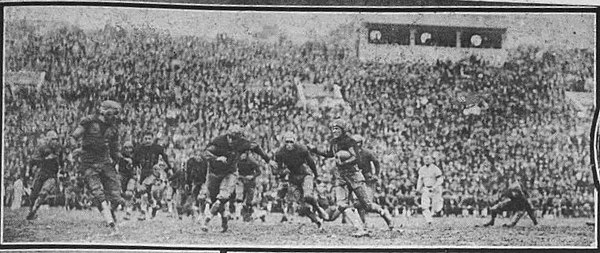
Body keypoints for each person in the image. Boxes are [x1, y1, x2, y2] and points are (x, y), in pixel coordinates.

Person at [309, 119, 394, 237]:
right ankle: (359, 228)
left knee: (367, 205)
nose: (334, 131)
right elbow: (329, 154)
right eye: (333, 129)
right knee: (342, 204)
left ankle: (385, 215)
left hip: (353, 175)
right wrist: (315, 150)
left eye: (337, 128)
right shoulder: (334, 142)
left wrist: (344, 162)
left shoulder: (349, 141)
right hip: (341, 176)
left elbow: (356, 158)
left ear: (343, 129)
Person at [70, 100, 130, 234]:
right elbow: (74, 137)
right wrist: (76, 149)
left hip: (105, 162)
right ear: (104, 111)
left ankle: (110, 213)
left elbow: (114, 150)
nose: (114, 117)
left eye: (116, 114)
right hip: (89, 162)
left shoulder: (113, 129)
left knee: (116, 196)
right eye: (112, 113)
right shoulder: (89, 121)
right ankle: (110, 222)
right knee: (98, 193)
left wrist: (123, 159)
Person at [201, 124, 271, 232]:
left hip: (230, 172)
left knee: (223, 197)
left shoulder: (242, 143)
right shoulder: (219, 141)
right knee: (215, 199)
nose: (232, 141)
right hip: (214, 173)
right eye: (231, 138)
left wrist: (268, 160)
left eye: (235, 139)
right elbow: (205, 153)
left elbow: (256, 147)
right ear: (227, 135)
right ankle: (224, 223)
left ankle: (207, 220)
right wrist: (216, 158)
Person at [272, 131, 327, 229]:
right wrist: (283, 172)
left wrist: (316, 175)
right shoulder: (280, 153)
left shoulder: (302, 149)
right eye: (287, 142)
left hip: (305, 175)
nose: (289, 144)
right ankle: (317, 221)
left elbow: (311, 162)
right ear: (283, 142)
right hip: (293, 179)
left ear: (295, 142)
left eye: (291, 142)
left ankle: (318, 208)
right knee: (302, 207)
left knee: (308, 195)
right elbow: (277, 170)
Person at [132, 130, 172, 220]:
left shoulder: (157, 148)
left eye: (149, 139)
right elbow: (134, 161)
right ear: (142, 139)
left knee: (143, 190)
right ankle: (154, 206)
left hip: (154, 172)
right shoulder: (139, 148)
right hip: (143, 172)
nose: (147, 141)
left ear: (152, 139)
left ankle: (143, 212)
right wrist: (134, 169)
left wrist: (169, 169)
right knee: (147, 193)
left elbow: (165, 158)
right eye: (146, 138)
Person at [26, 130, 64, 220]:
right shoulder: (42, 147)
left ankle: (34, 209)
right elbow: (33, 160)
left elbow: (62, 161)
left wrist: (63, 170)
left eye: (56, 139)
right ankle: (31, 211)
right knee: (33, 194)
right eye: (53, 139)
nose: (55, 141)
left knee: (44, 192)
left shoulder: (59, 148)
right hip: (42, 172)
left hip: (52, 175)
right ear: (48, 140)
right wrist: (45, 159)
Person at [351, 134, 381, 224]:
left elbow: (377, 162)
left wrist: (376, 174)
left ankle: (384, 213)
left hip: (368, 179)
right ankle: (362, 222)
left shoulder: (367, 152)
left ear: (361, 143)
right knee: (358, 203)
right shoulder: (350, 153)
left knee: (367, 203)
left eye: (357, 143)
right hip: (357, 179)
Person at [230, 151, 262, 222]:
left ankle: (248, 215)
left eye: (243, 154)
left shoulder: (251, 161)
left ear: (246, 154)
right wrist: (236, 174)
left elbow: (259, 172)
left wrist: (252, 176)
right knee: (239, 197)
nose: (242, 156)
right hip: (241, 180)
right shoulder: (236, 161)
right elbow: (232, 170)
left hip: (250, 181)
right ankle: (238, 215)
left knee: (249, 200)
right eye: (241, 154)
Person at [416, 155, 444, 224]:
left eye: (428, 159)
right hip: (426, 188)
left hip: (435, 189)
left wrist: (434, 187)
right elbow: (420, 180)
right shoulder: (422, 169)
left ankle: (436, 210)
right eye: (425, 159)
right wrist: (418, 188)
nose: (426, 160)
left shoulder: (435, 168)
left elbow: (440, 180)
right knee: (424, 205)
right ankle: (429, 220)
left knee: (436, 206)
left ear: (432, 160)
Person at [118, 141, 137, 220]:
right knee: (120, 194)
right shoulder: (120, 156)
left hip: (131, 176)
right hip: (122, 176)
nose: (128, 150)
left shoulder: (135, 157)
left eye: (130, 148)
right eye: (126, 148)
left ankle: (128, 212)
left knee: (129, 193)